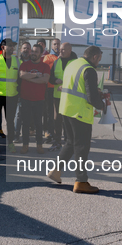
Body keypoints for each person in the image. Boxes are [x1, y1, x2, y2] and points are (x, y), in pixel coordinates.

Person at [47, 46, 109, 194]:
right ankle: (81, 181)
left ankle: (56, 171)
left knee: (70, 142)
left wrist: (96, 92)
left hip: (67, 109)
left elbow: (78, 87)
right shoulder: (89, 70)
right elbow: (91, 97)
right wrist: (103, 106)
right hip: (80, 113)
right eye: (99, 58)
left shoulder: (73, 64)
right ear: (94, 56)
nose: (99, 61)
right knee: (82, 147)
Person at [19, 43, 50, 154]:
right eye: (33, 51)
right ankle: (25, 145)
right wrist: (37, 75)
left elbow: (45, 79)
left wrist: (30, 77)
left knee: (38, 124)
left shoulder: (45, 66)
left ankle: (39, 145)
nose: (33, 53)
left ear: (41, 54)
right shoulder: (24, 64)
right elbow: (22, 75)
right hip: (25, 98)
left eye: (36, 52)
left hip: (39, 99)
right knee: (26, 124)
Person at [48, 42, 77, 151]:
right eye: (60, 49)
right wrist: (55, 81)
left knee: (70, 119)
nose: (61, 51)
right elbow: (50, 77)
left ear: (70, 50)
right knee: (57, 119)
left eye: (63, 50)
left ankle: (70, 141)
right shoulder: (56, 62)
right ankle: (57, 141)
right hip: (58, 96)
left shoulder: (76, 63)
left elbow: (79, 80)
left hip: (72, 97)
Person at [13, 41, 32, 142]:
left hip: (31, 91)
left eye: (28, 48)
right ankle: (16, 134)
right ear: (21, 49)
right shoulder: (16, 61)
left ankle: (27, 135)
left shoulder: (34, 62)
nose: (26, 50)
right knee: (18, 114)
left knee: (29, 114)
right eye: (24, 48)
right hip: (19, 91)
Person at [42, 38, 60, 142]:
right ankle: (48, 131)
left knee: (59, 112)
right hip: (49, 88)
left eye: (58, 44)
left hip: (60, 89)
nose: (57, 46)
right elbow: (46, 71)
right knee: (48, 111)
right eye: (55, 44)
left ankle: (58, 132)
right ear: (52, 46)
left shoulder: (63, 58)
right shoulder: (47, 58)